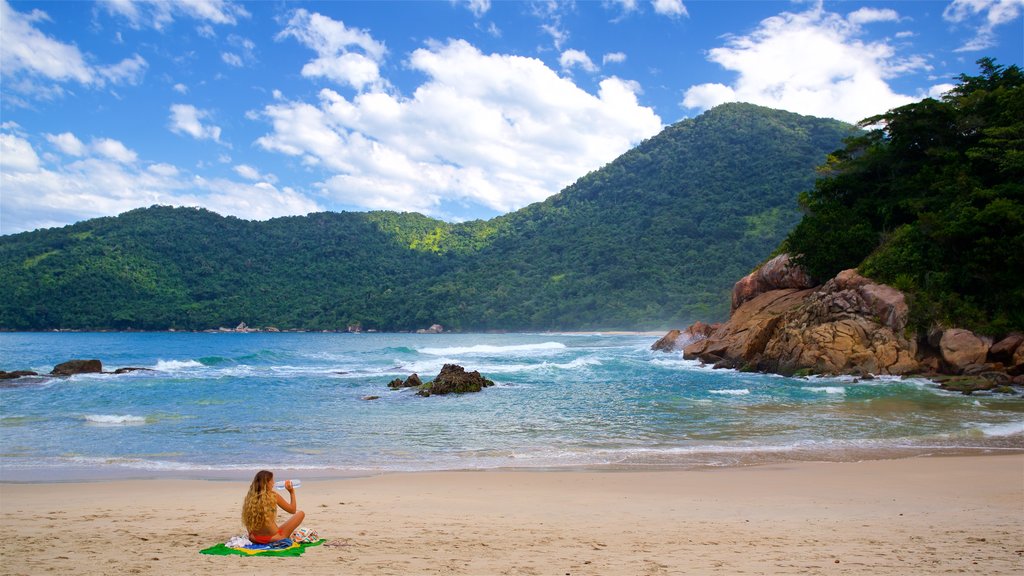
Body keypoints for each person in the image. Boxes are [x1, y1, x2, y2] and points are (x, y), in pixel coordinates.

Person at [242, 470, 305, 544]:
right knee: (301, 513)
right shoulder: (273, 496)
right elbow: (292, 510)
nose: (273, 483)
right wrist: (291, 492)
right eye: (272, 480)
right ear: (267, 483)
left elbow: (248, 525)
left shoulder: (250, 498)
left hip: (255, 538)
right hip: (275, 538)